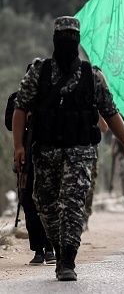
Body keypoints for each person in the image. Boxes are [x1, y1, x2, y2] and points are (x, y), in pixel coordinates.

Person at [12, 16, 124, 281]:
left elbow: (111, 113)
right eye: (63, 37)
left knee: (72, 204)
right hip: (45, 151)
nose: (67, 41)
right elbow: (20, 107)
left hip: (80, 152)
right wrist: (18, 147)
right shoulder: (39, 71)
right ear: (55, 40)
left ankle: (67, 259)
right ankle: (59, 249)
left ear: (77, 41)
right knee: (45, 205)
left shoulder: (91, 76)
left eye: (72, 37)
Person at [5, 77, 56, 266]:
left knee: (49, 203)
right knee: (28, 203)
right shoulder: (16, 99)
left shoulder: (51, 98)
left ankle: (51, 248)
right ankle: (38, 250)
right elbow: (10, 123)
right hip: (26, 160)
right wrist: (24, 114)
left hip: (49, 158)